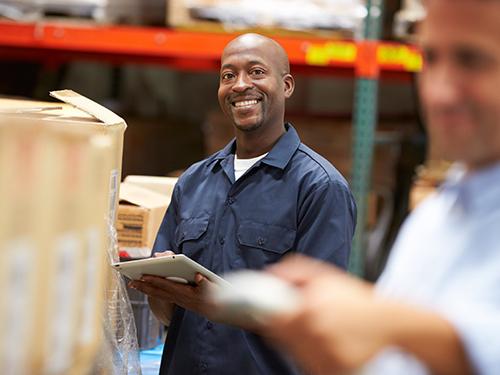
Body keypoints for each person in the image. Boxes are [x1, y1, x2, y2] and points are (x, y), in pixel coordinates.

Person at [260, 1, 500, 374]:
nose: (439, 93)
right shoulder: (435, 219)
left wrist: (389, 323)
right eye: (431, 58)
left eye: (471, 60)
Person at [130, 33, 357, 375]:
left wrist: (221, 305)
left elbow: (318, 322)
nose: (240, 85)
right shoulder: (194, 181)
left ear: (287, 86)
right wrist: (158, 287)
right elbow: (167, 315)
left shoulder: (320, 187)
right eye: (228, 75)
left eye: (255, 72)